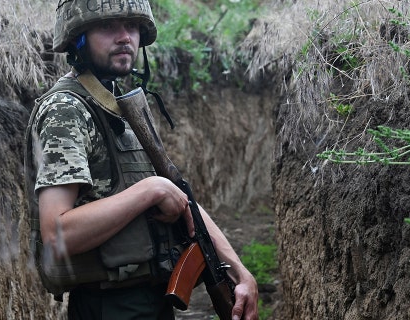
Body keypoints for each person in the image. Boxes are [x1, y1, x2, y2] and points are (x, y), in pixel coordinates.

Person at [25, 1, 259, 319]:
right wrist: (151, 190)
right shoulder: (66, 110)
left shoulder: (118, 106)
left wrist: (240, 272)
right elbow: (57, 234)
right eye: (108, 27)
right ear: (78, 37)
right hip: (110, 305)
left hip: (150, 300)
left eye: (132, 26)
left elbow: (181, 198)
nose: (125, 37)